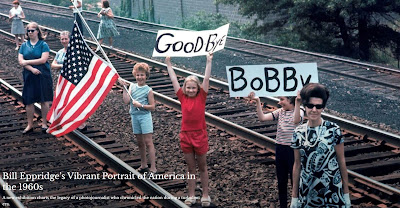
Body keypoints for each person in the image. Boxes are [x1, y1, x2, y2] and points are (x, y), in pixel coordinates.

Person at [290, 83, 351, 208]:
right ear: (305, 106)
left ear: (323, 107)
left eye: (318, 106)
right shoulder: (298, 132)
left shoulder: (334, 130)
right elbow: (297, 165)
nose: (314, 110)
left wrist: (346, 194)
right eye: (310, 105)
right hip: (307, 192)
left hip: (331, 191)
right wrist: (294, 197)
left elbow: (341, 162)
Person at [165, 54, 213, 207]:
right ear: (184, 88)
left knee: (202, 166)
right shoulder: (182, 97)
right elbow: (173, 80)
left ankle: (205, 194)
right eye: (188, 87)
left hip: (200, 135)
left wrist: (209, 61)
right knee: (191, 167)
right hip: (185, 136)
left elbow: (206, 79)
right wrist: (168, 63)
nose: (191, 90)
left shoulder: (202, 97)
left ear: (198, 88)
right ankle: (191, 195)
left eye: (193, 87)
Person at [248, 92, 304, 208]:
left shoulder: (300, 110)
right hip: (280, 148)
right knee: (281, 180)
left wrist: (298, 103)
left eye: (282, 99)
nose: (279, 102)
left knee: (295, 180)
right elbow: (262, 118)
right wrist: (258, 101)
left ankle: (296, 204)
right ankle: (283, 205)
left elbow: (296, 121)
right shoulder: (280, 112)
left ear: (290, 100)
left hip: (293, 150)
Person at [120, 63, 157, 173]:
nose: (140, 77)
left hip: (145, 117)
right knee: (140, 142)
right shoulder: (132, 86)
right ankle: (143, 164)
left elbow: (153, 107)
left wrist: (141, 105)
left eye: (142, 75)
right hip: (134, 117)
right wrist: (124, 88)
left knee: (148, 142)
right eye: (138, 75)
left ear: (146, 76)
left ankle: (153, 168)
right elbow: (126, 101)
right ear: (135, 75)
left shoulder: (148, 90)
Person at [18, 22, 53, 134]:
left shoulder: (43, 45)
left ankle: (44, 123)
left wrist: (26, 62)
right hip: (29, 75)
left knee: (44, 99)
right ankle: (30, 125)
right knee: (29, 100)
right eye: (28, 31)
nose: (30, 32)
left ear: (37, 31)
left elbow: (43, 60)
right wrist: (32, 69)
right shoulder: (24, 45)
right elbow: (20, 61)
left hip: (43, 75)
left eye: (32, 30)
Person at [51, 31, 87, 131]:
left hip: (74, 81)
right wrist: (62, 66)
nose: (64, 41)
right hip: (63, 81)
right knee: (65, 101)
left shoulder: (75, 52)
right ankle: (69, 121)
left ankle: (82, 123)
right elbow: (53, 65)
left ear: (70, 39)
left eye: (66, 39)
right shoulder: (60, 52)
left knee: (76, 101)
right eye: (62, 39)